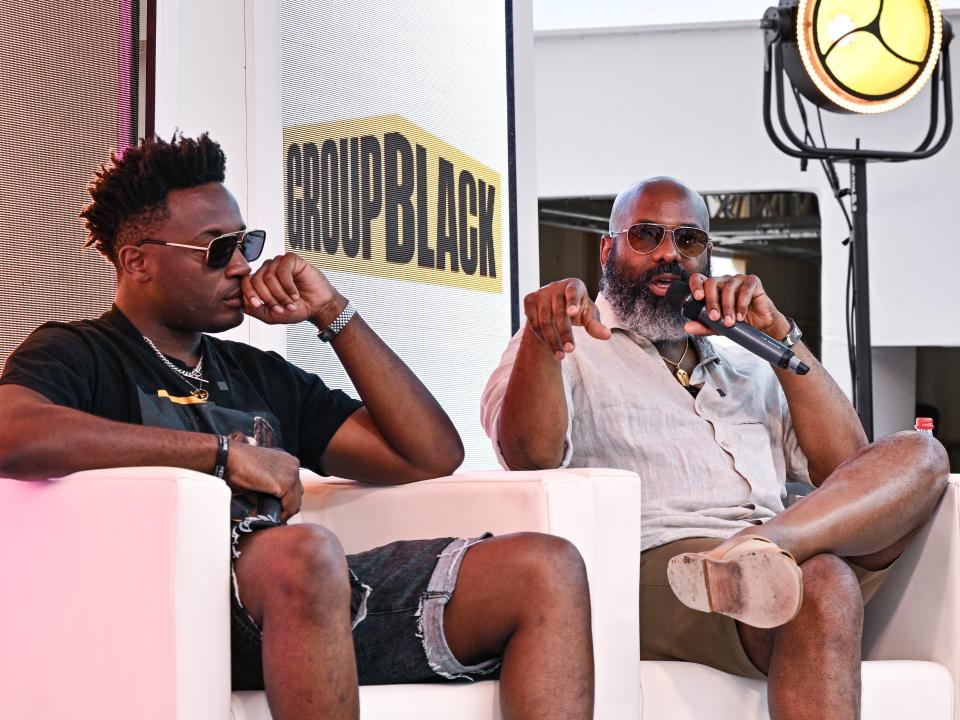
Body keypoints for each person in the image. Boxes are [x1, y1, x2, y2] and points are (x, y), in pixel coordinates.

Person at [0, 133, 594, 720]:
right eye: (216, 249)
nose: (240, 265)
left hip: (302, 606)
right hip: (166, 609)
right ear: (138, 261)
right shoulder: (79, 352)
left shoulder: (259, 374)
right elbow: (13, 431)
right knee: (303, 553)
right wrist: (219, 455)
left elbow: (429, 454)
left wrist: (332, 313)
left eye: (245, 243)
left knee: (546, 567)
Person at [481, 176, 949, 720]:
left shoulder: (748, 357)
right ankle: (764, 556)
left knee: (923, 453)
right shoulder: (571, 345)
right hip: (665, 566)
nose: (667, 255)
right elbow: (526, 456)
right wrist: (544, 342)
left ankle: (765, 547)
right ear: (608, 249)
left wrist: (779, 334)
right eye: (647, 236)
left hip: (781, 549)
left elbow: (849, 465)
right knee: (823, 581)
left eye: (687, 241)